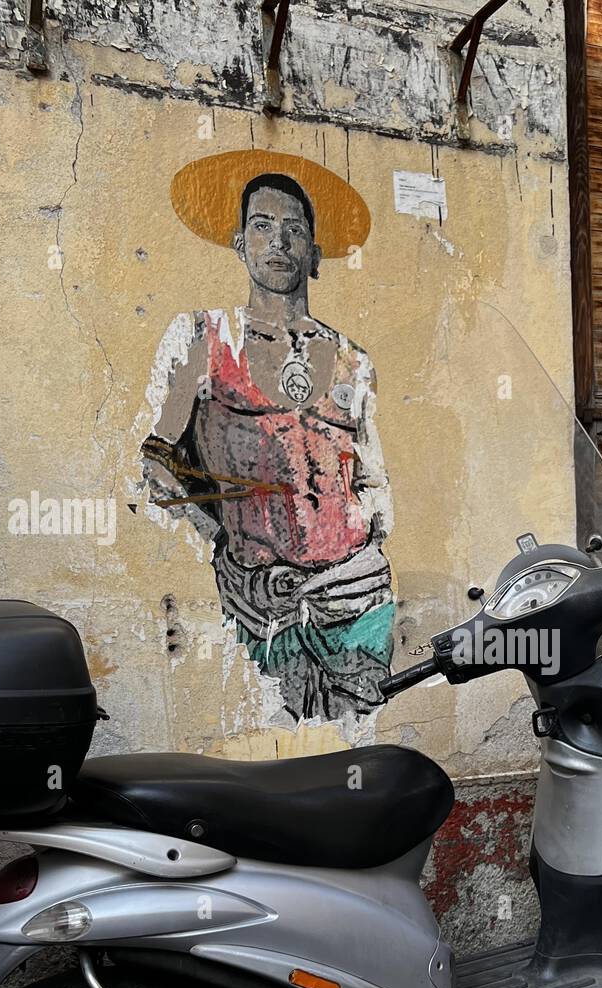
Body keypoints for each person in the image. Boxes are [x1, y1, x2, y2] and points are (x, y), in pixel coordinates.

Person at [141, 151, 392, 725]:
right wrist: (222, 541)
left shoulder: (354, 360)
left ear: (315, 255)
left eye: (294, 230)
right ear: (239, 244)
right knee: (271, 763)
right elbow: (155, 463)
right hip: (258, 601)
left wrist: (375, 540)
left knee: (354, 759)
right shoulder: (201, 338)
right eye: (262, 226)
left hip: (357, 594)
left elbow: (372, 477)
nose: (278, 242)